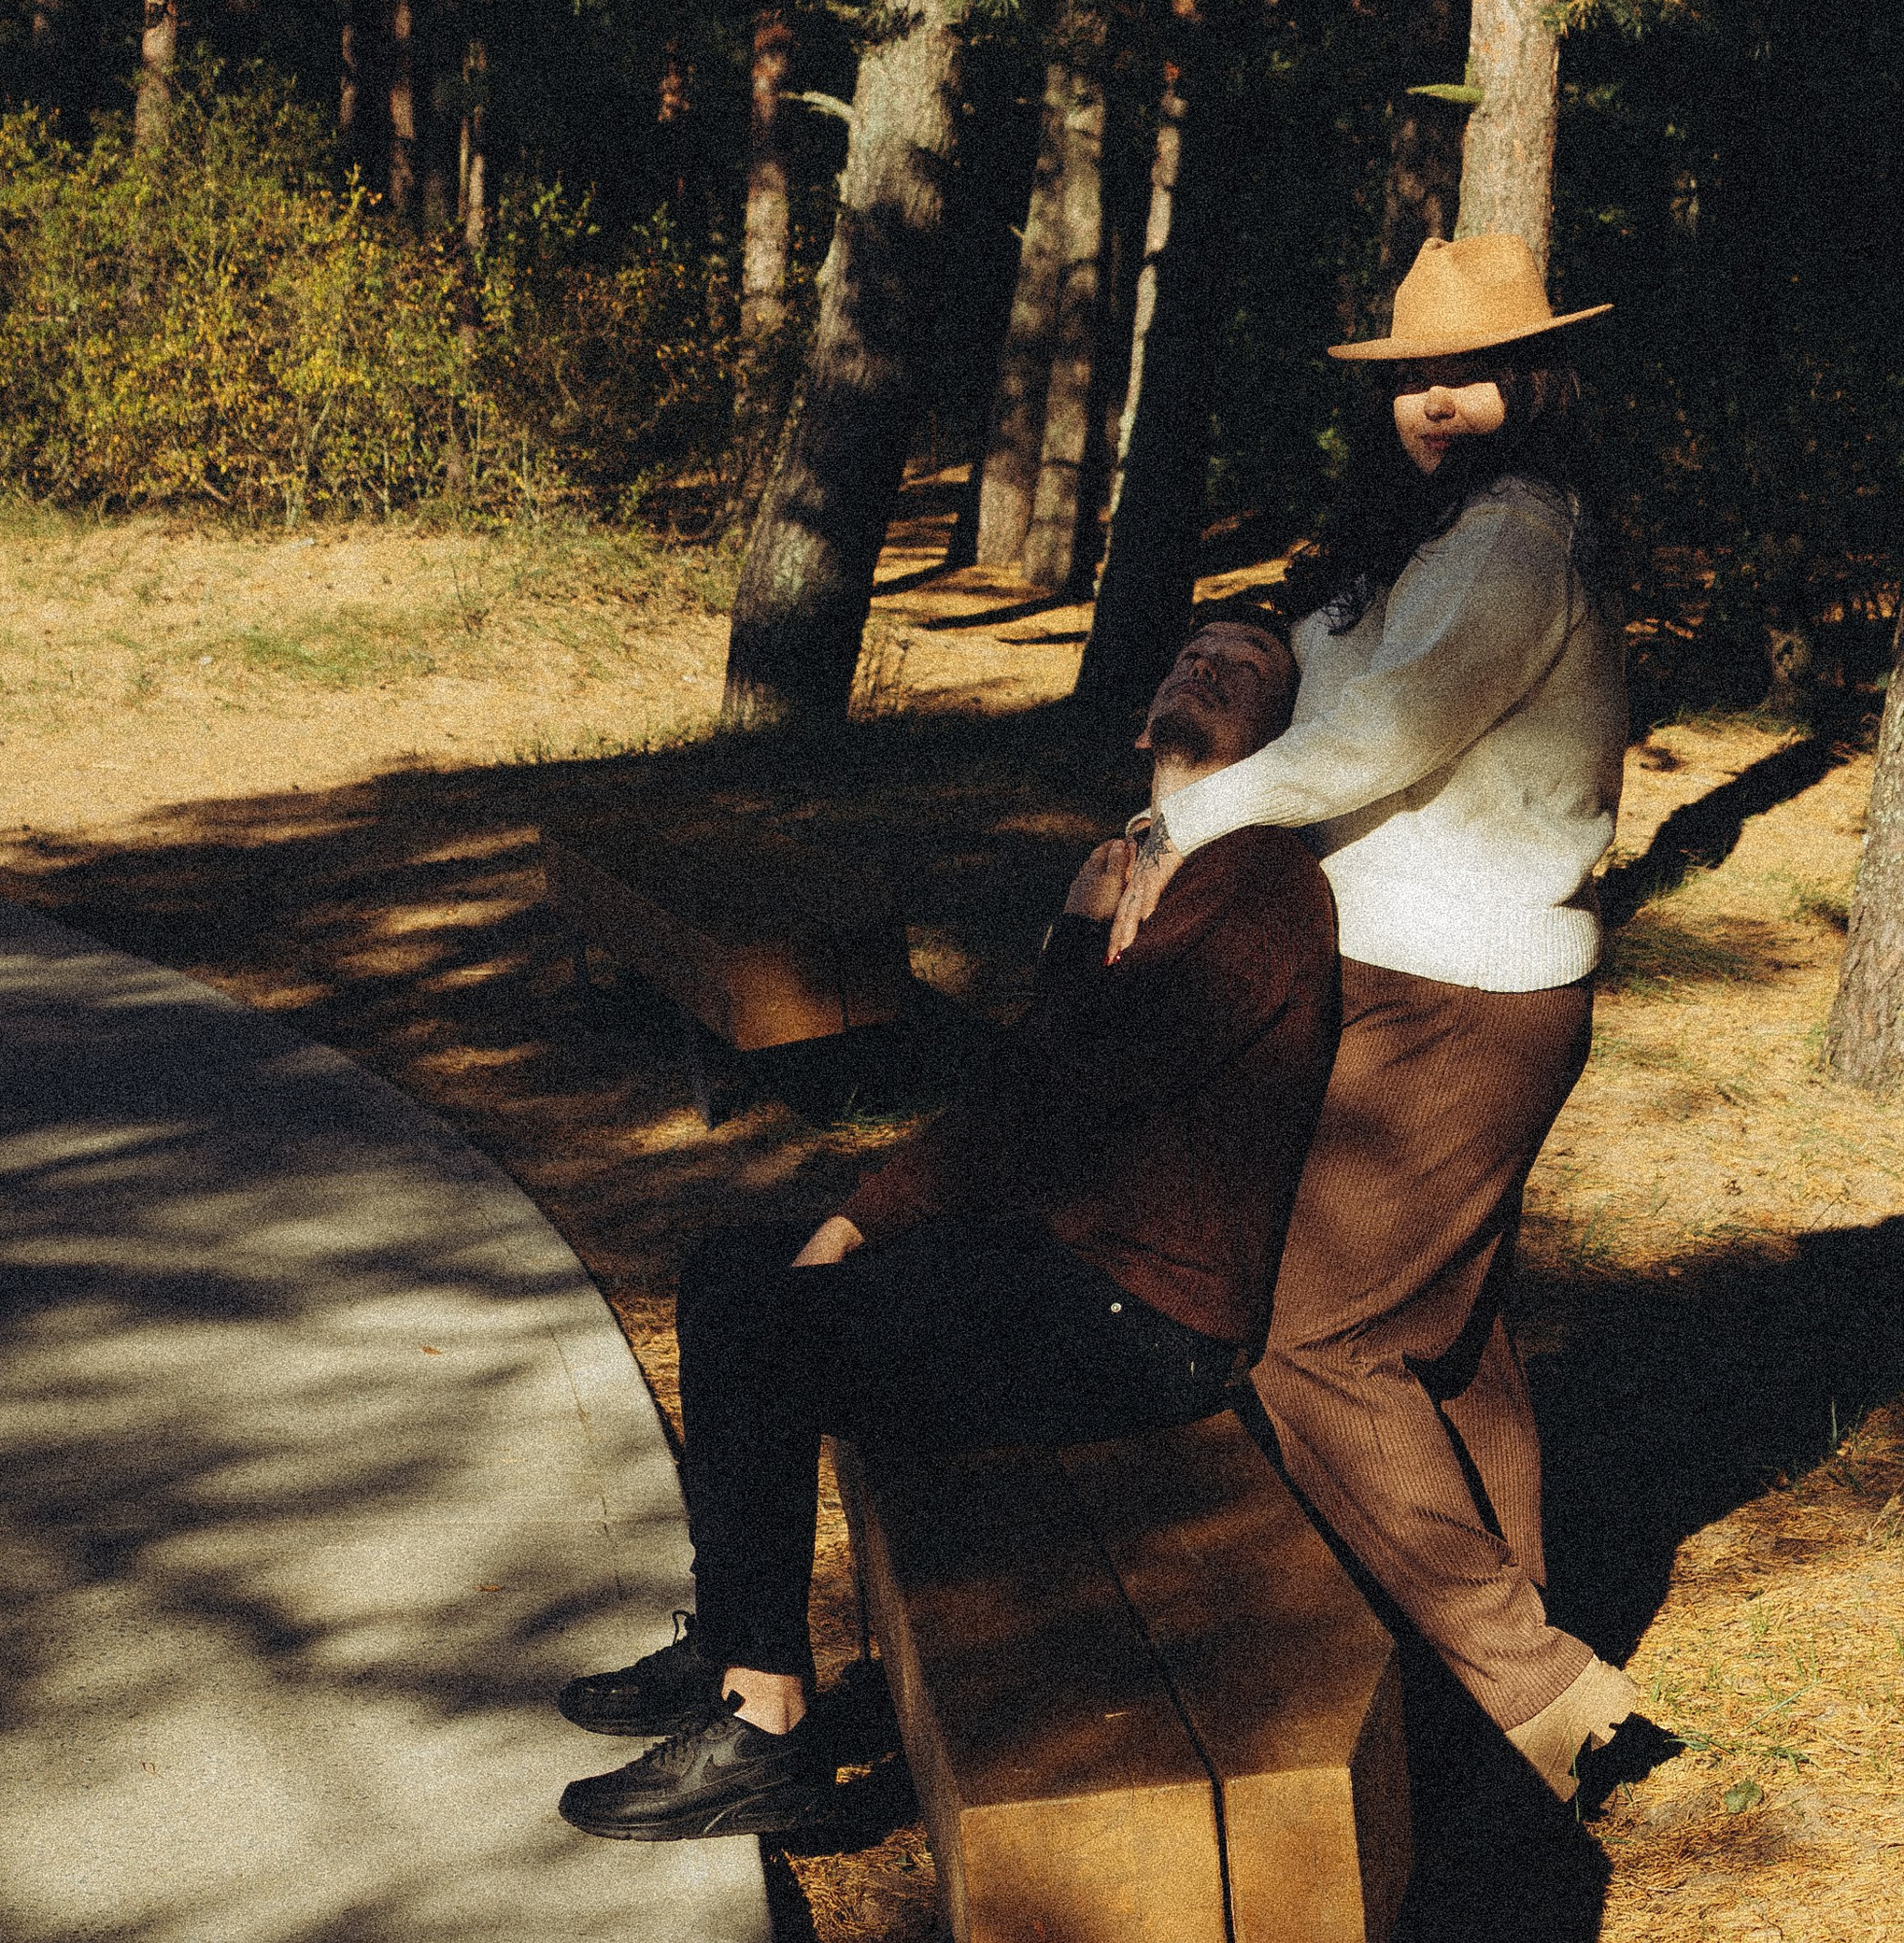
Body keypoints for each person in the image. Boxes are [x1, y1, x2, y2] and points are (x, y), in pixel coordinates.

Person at [552, 609, 1333, 1846]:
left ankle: (763, 1728)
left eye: (1244, 675)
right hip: (1064, 1269)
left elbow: (1079, 1082)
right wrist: (867, 1221)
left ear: (1284, 736)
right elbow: (1039, 1091)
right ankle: (731, 1650)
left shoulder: (1261, 881)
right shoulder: (1152, 861)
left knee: (770, 1325)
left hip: (1148, 1320)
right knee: (731, 1269)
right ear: (1148, 711)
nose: (1206, 671)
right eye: (1191, 654)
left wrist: (1075, 947)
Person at [1107, 229, 1638, 1813]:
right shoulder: (1434, 537)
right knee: (1445, 1342)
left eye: (1466, 377)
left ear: (1531, 385)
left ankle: (1536, 1690)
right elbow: (1338, 693)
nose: (1434, 404)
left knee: (1313, 1339)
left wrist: (1174, 838)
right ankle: (1492, 1684)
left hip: (1465, 991)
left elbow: (1392, 735)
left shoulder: (1517, 535)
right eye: (1412, 379)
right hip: (1420, 975)